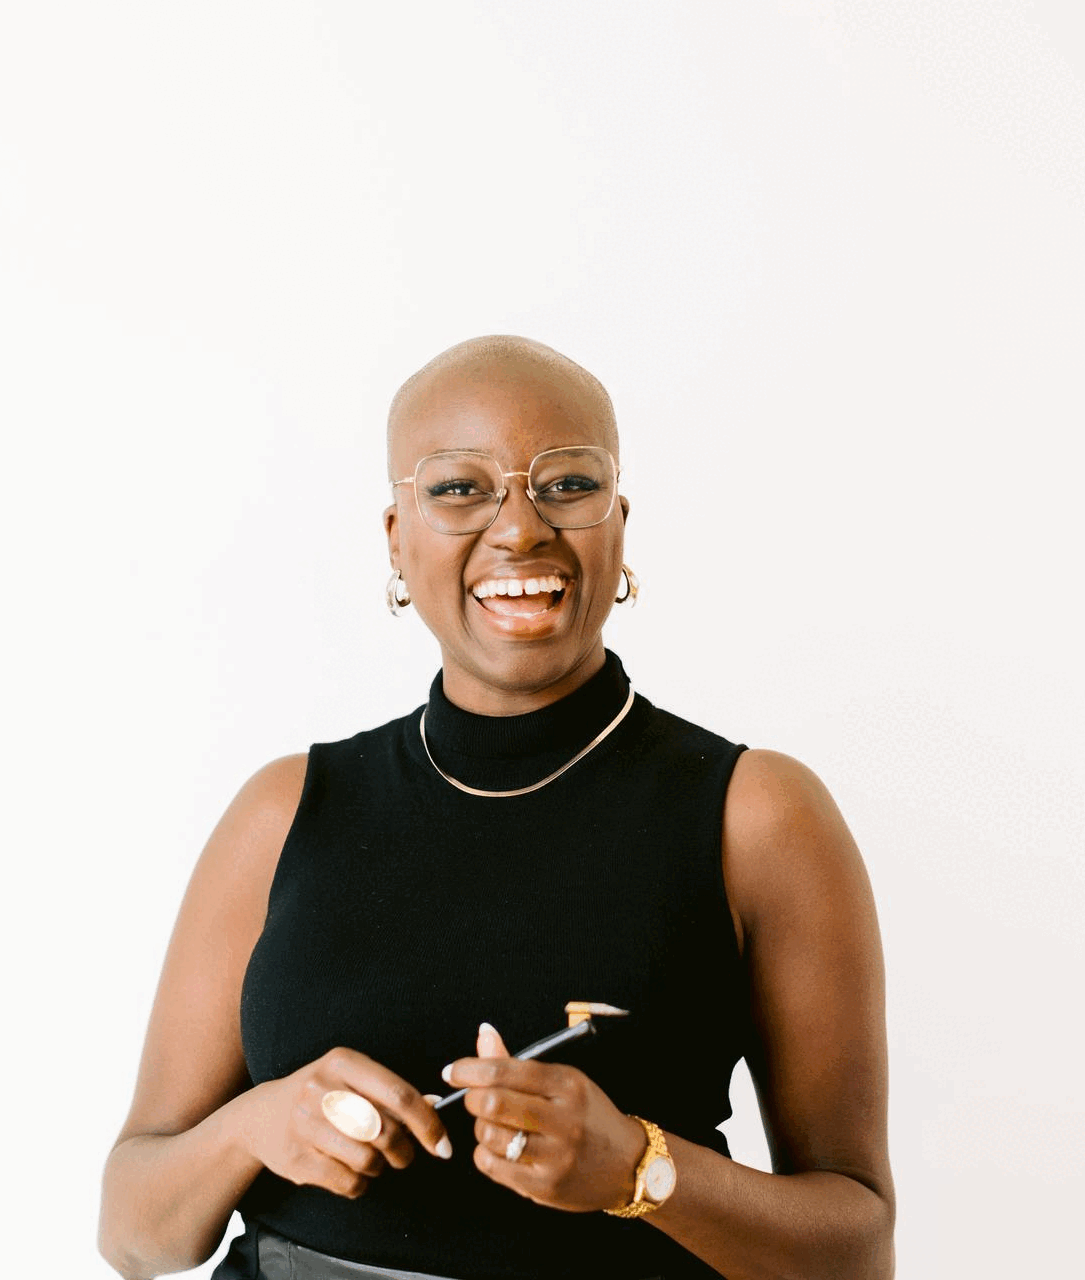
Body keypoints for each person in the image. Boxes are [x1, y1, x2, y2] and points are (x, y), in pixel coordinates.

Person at [98, 335, 895, 1280]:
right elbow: (135, 1232)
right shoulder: (283, 813)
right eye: (458, 488)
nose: (520, 529)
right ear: (396, 537)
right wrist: (255, 1128)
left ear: (620, 524)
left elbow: (858, 1252)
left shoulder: (755, 815)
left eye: (565, 484)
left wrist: (642, 1169)